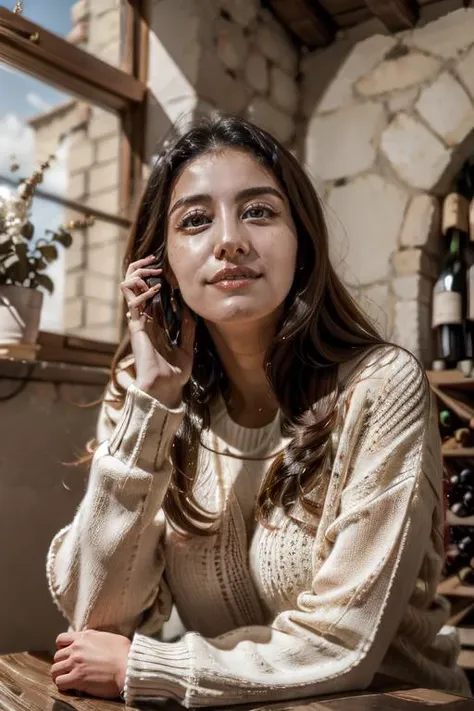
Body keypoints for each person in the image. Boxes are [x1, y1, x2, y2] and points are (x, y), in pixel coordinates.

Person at [46, 114, 469, 708]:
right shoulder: (145, 395)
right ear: (159, 264)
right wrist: (152, 405)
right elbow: (96, 613)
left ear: (302, 239)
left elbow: (344, 642)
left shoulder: (380, 386)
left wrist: (153, 665)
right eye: (195, 220)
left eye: (259, 211)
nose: (230, 240)